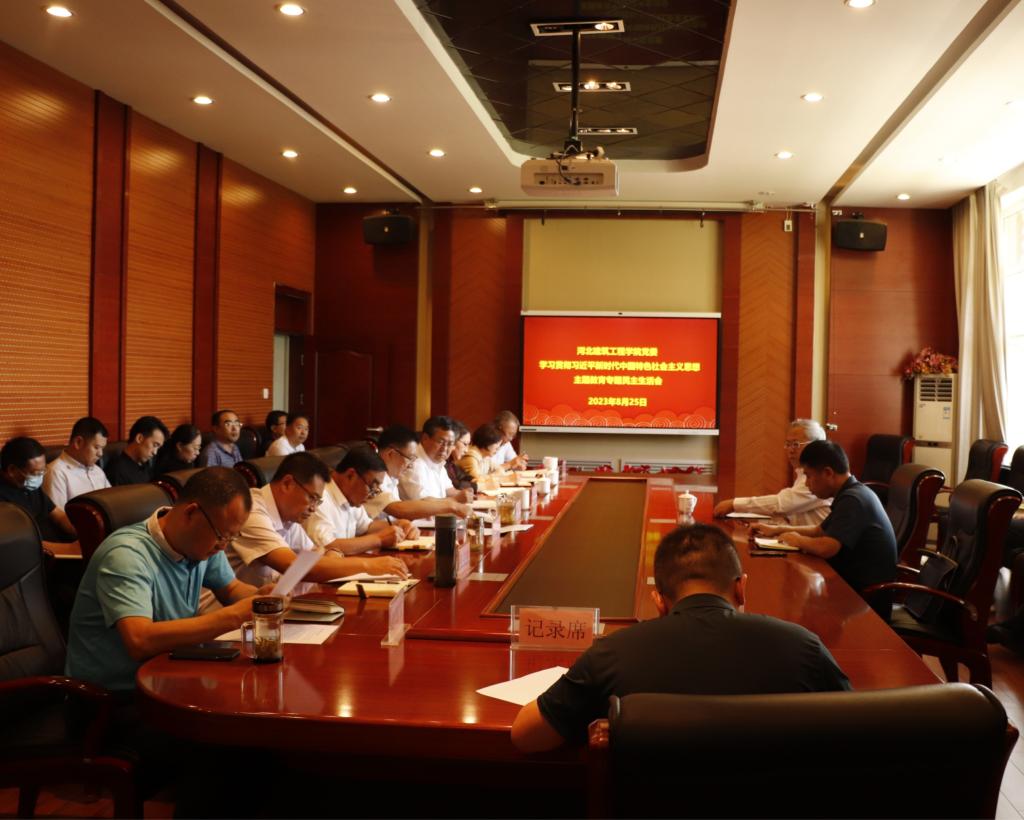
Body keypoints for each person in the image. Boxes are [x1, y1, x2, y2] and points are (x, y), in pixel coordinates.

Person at [510, 523, 850, 752]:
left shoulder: (613, 653)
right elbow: (859, 736)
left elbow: (525, 736)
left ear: (659, 601)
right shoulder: (802, 647)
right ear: (741, 588)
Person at [64, 468, 265, 692]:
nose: (223, 545)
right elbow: (140, 640)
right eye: (222, 535)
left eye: (231, 537)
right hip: (115, 694)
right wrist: (233, 617)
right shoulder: (126, 554)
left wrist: (262, 599)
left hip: (170, 673)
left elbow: (231, 589)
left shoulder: (201, 544)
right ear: (191, 513)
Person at [752, 440, 897, 620]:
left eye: (809, 476)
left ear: (828, 473)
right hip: (850, 588)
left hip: (864, 600)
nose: (807, 484)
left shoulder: (853, 499)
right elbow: (819, 531)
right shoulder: (850, 493)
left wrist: (797, 540)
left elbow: (828, 547)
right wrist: (777, 530)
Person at [226, 452, 410, 593]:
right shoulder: (251, 510)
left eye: (317, 501)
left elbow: (316, 555)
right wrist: (369, 566)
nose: (314, 508)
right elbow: (295, 566)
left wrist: (331, 554)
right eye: (312, 498)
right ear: (288, 483)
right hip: (234, 620)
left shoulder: (290, 517)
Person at [304, 448, 416, 573]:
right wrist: (379, 539)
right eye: (372, 487)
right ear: (351, 475)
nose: (372, 496)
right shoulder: (319, 498)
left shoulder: (350, 496)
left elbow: (366, 526)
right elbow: (326, 545)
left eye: (376, 490)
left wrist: (398, 525)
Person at [714, 419, 832, 525]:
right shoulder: (803, 474)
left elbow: (781, 504)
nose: (790, 450)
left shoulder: (820, 477)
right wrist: (754, 518)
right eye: (788, 444)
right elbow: (791, 516)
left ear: (816, 446)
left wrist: (734, 504)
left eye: (796, 444)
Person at [364, 425, 472, 521]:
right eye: (409, 458)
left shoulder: (392, 478)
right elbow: (399, 509)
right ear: (391, 454)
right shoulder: (371, 478)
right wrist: (451, 506)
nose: (411, 465)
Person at [0, 436, 77, 545]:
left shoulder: (29, 486)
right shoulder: (3, 500)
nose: (39, 477)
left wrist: (80, 533)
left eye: (42, 471)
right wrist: (67, 549)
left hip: (57, 543)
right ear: (12, 470)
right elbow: (21, 543)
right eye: (35, 473)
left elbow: (58, 515)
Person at [399, 416, 474, 504]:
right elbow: (423, 503)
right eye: (441, 442)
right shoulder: (413, 463)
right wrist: (456, 499)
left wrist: (465, 495)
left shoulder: (438, 461)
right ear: (425, 438)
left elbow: (448, 490)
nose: (445, 448)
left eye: (450, 444)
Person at [42, 416, 111, 511]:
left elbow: (112, 502)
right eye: (96, 447)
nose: (100, 454)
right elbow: (58, 516)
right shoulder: (56, 472)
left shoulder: (97, 470)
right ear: (78, 442)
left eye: (102, 448)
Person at [105, 415, 169, 486]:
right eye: (155, 445)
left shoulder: (145, 465)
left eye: (158, 448)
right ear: (139, 438)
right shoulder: (117, 469)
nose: (155, 452)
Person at [446, 420, 476, 492]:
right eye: (465, 444)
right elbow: (456, 486)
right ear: (453, 440)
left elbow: (464, 476)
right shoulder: (442, 462)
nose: (466, 450)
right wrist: (478, 486)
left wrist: (474, 480)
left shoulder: (451, 463)